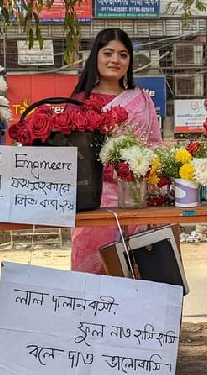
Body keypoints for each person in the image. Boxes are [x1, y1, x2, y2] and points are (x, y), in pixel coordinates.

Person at [68, 27, 162, 274]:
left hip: (137, 198)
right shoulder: (79, 102)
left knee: (141, 280)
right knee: (93, 287)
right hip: (92, 205)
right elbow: (73, 158)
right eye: (108, 53)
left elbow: (154, 145)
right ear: (96, 57)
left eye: (123, 55)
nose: (115, 60)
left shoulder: (142, 100)